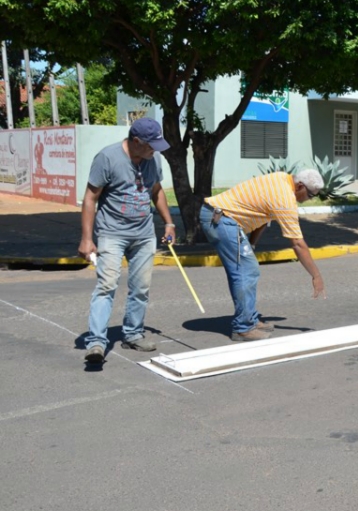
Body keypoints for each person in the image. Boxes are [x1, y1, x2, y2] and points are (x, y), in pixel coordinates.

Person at [78, 117, 175, 364]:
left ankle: (133, 333)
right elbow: (90, 198)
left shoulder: (153, 159)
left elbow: (156, 191)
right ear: (136, 141)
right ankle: (97, 343)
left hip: (143, 235)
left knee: (141, 288)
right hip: (112, 233)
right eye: (150, 145)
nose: (154, 150)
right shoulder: (107, 158)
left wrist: (169, 222)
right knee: (106, 285)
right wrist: (87, 239)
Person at [200, 169, 327, 341]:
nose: (309, 199)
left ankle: (249, 319)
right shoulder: (285, 199)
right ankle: (243, 327)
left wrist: (251, 244)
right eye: (311, 195)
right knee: (246, 271)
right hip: (222, 220)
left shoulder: (281, 178)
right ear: (300, 186)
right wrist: (316, 275)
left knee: (248, 268)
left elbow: (264, 216)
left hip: (221, 217)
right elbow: (298, 244)